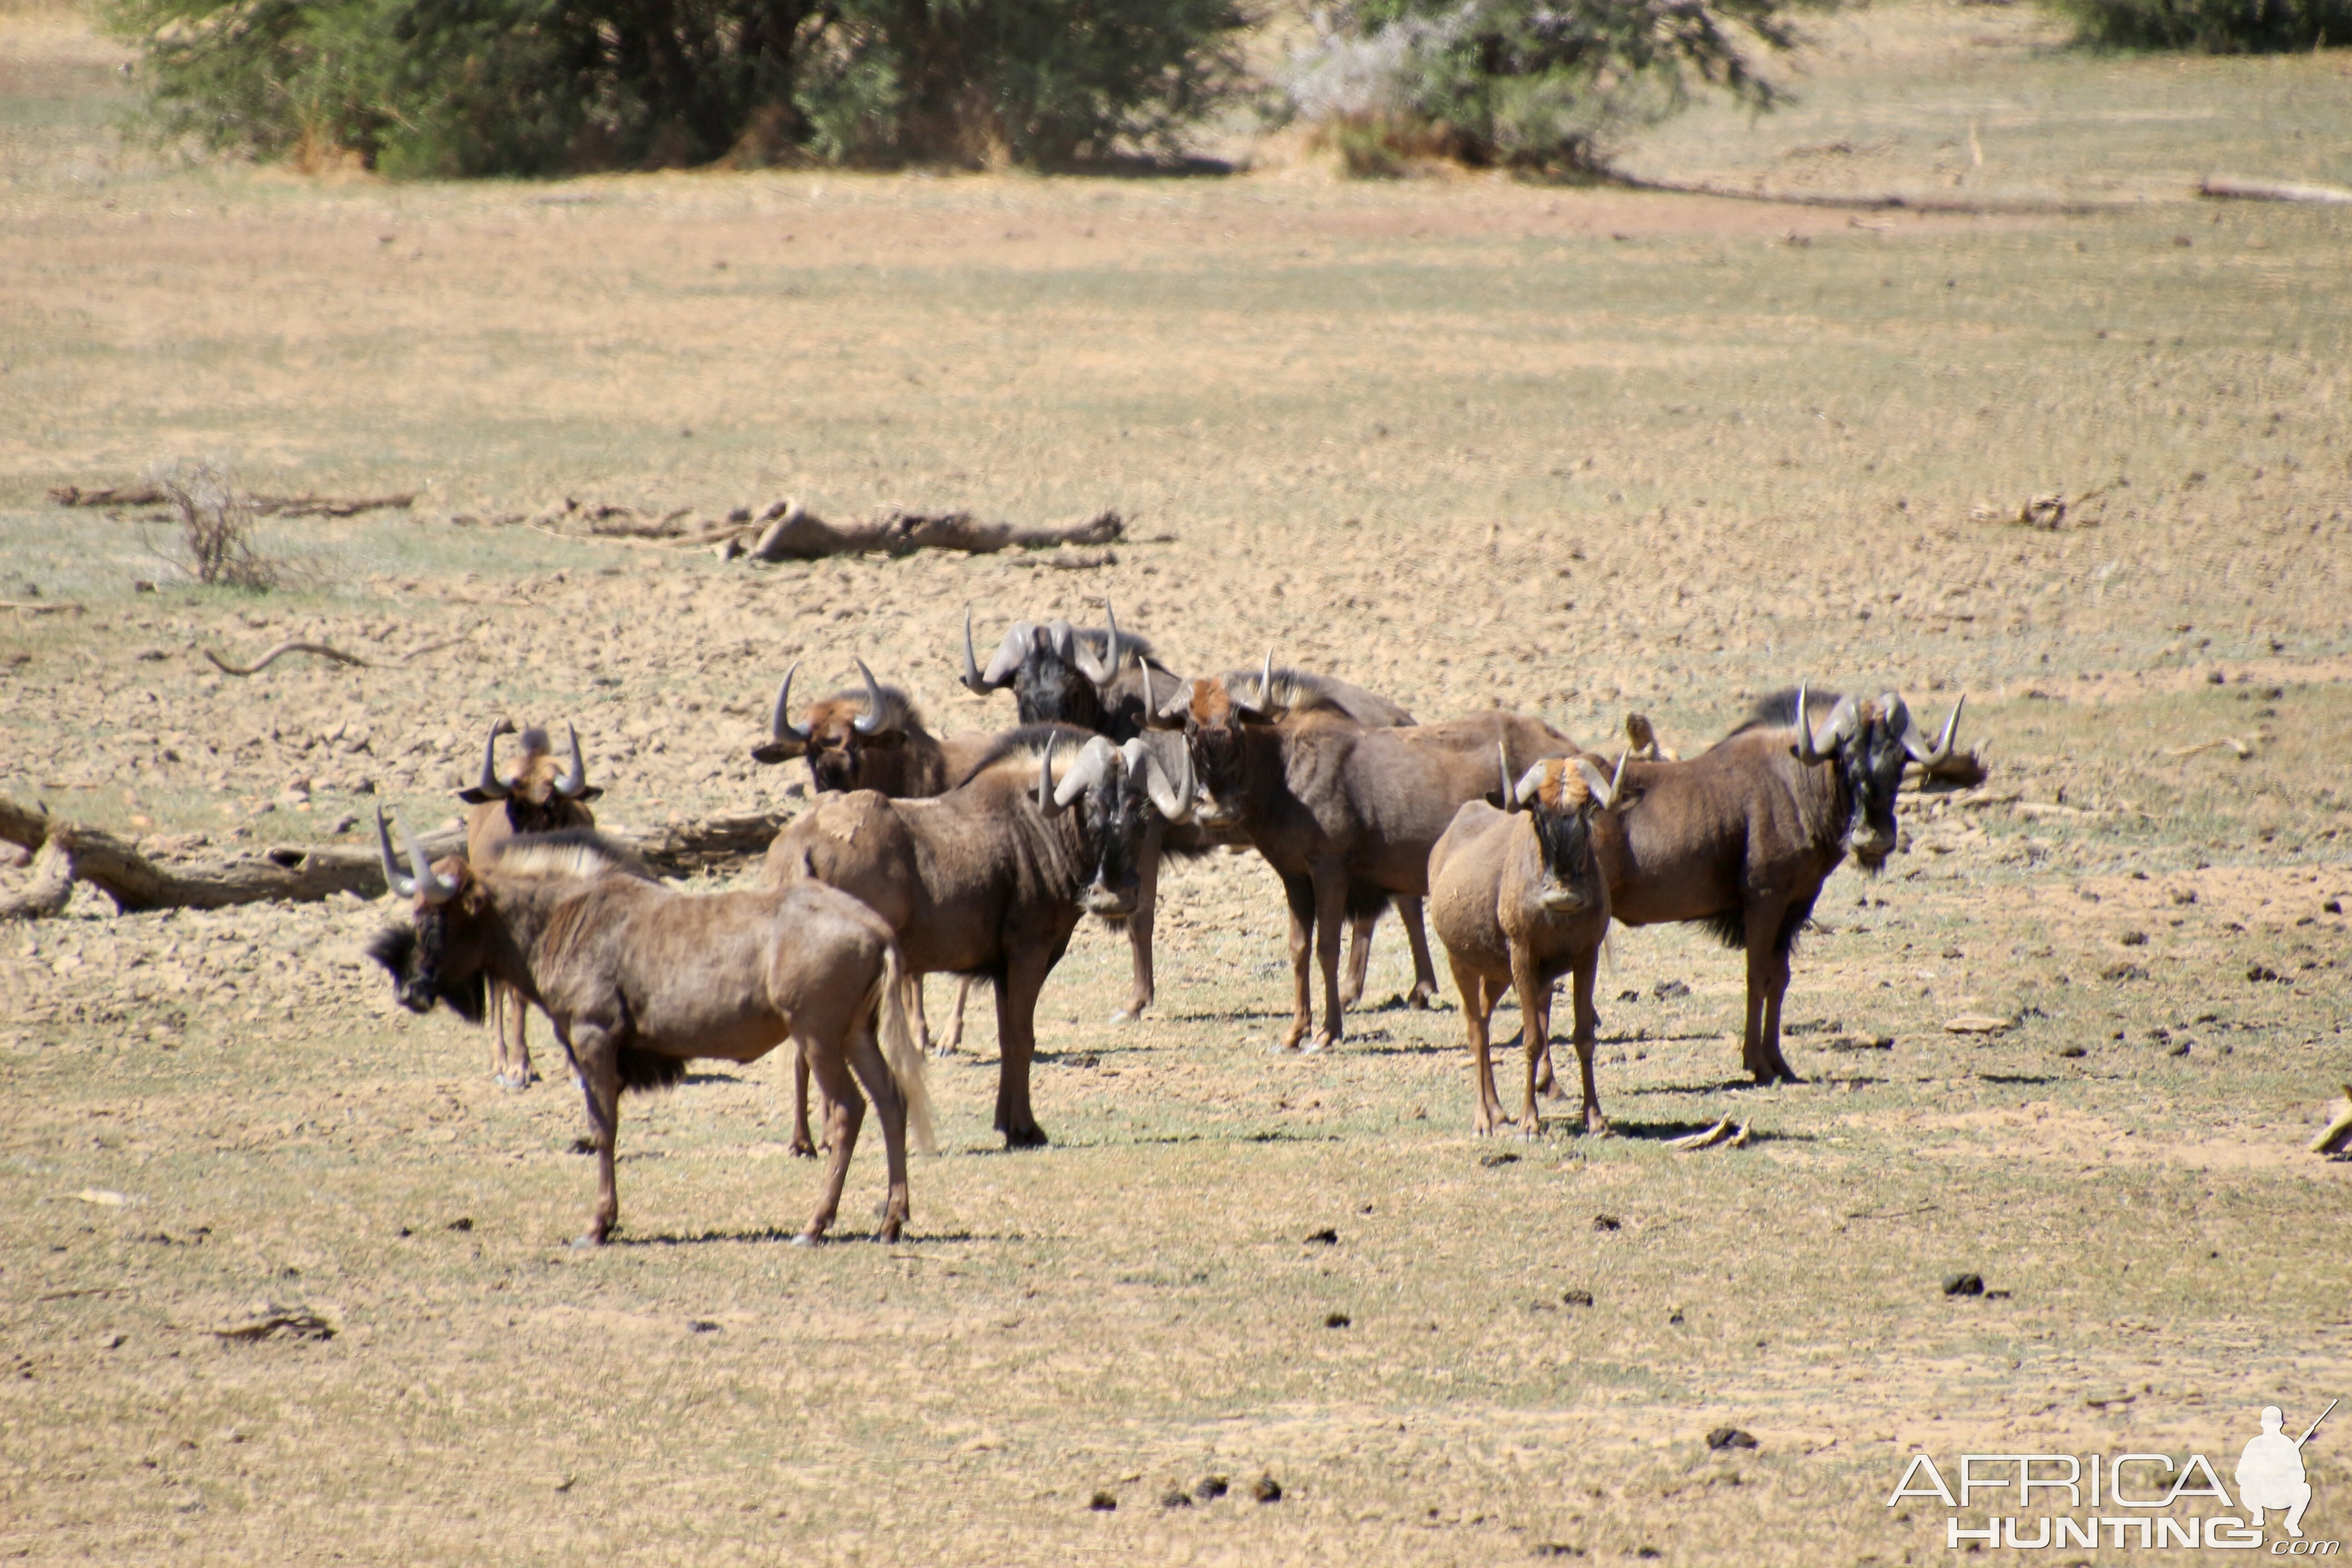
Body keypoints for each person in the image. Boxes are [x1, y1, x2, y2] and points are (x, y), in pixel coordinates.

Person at [2237, 1406, 2312, 1538]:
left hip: (2282, 1494)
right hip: (2259, 1495)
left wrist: (2283, 1474)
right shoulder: (2254, 1444)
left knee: (2305, 1489)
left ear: (2281, 1424)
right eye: (2268, 1423)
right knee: (2246, 1487)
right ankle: (2258, 1514)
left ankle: (2292, 1523)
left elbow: (2301, 1476)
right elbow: (2240, 1475)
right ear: (2262, 1424)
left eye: (2274, 1423)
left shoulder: (2288, 1445)